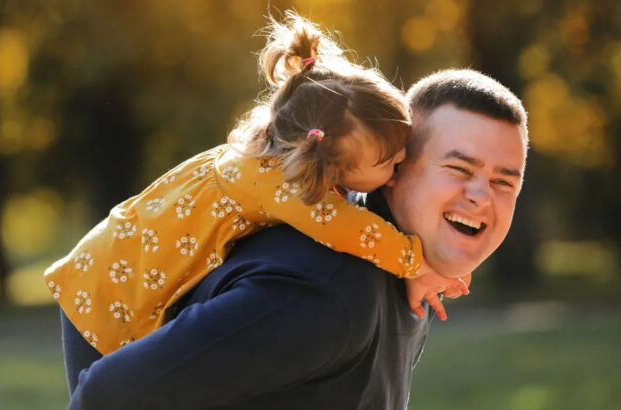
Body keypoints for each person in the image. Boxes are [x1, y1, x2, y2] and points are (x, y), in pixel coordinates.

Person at [63, 67, 528, 409]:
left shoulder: (407, 273)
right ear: (395, 168)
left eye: (505, 182)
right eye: (458, 169)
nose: (480, 197)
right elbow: (107, 397)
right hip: (104, 294)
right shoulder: (324, 293)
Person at [45, 14, 467, 356]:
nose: (400, 165)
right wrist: (419, 261)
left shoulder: (277, 142)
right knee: (108, 395)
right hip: (106, 289)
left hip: (115, 254)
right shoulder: (281, 182)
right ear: (326, 165)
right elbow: (352, 231)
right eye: (388, 162)